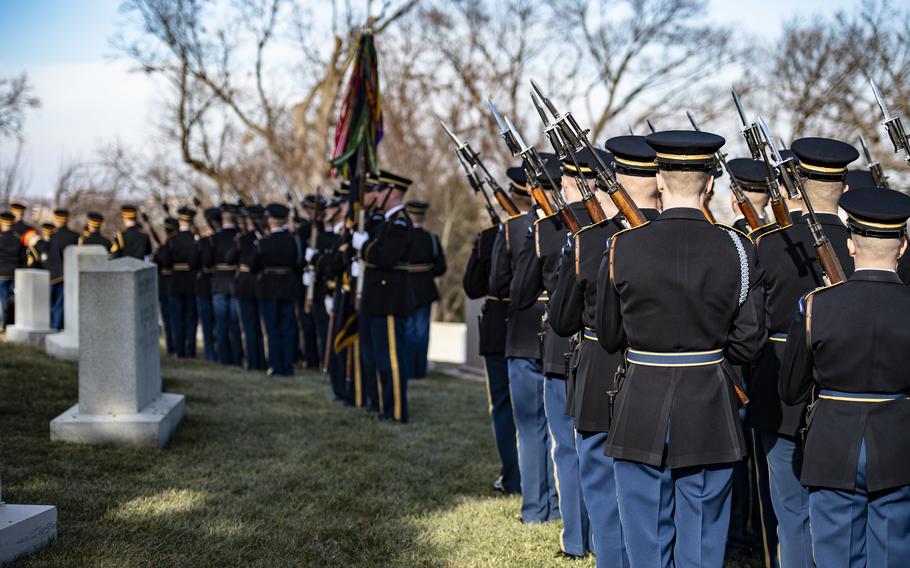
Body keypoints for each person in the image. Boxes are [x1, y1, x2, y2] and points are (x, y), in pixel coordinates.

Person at [595, 130, 765, 568]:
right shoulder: (738, 248)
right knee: (705, 538)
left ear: (659, 179)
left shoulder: (622, 246)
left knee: (645, 539)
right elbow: (749, 341)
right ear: (710, 184)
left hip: (640, 401)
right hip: (710, 401)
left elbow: (610, 336)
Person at [780, 186, 910, 568]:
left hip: (833, 443)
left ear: (851, 244)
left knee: (836, 556)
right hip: (898, 444)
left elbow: (791, 391)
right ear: (902, 247)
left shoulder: (816, 305)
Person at [549, 134, 661, 567]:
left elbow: (561, 320)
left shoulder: (590, 240)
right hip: (657, 371)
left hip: (599, 368)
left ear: (611, 179)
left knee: (600, 481)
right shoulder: (695, 235)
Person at [747, 137, 858, 568]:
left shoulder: (769, 243)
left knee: (790, 511)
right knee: (841, 513)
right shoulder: (864, 244)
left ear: (797, 183)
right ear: (844, 188)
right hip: (846, 389)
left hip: (779, 384)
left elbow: (753, 326)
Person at [512, 151, 592, 558]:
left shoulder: (544, 229)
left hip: (561, 349)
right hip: (603, 352)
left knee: (566, 447)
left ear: (564, 183)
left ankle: (577, 539)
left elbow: (522, 291)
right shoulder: (617, 228)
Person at [489, 166, 558, 524]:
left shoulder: (514, 228)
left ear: (531, 189)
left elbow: (499, 284)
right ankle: (561, 508)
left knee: (530, 429)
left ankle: (534, 509)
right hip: (559, 336)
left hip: (522, 336)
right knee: (559, 431)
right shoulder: (570, 228)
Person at [352, 170, 416, 422]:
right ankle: (385, 407)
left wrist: (364, 246)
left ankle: (397, 411)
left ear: (392, 194)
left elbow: (385, 256)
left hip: (390, 298)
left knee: (391, 360)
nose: (375, 195)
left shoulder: (399, 223)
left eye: (380, 190)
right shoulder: (387, 222)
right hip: (378, 298)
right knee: (380, 359)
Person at [463, 214, 520, 495]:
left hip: (499, 327)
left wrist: (480, 246)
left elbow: (472, 286)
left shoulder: (492, 235)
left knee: (501, 406)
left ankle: (512, 478)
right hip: (532, 328)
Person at [403, 200, 447, 379]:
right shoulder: (432, 239)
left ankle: (407, 369)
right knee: (422, 331)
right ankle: (420, 370)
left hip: (405, 287)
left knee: (408, 330)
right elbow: (441, 267)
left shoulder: (403, 236)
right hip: (426, 288)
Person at [255, 203, 300, 376]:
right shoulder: (292, 241)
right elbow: (296, 263)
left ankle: (275, 364)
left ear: (271, 220)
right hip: (287, 286)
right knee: (287, 327)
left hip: (268, 288)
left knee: (272, 329)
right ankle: (287, 365)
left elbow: (255, 265)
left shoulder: (264, 242)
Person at [158, 207, 199, 358]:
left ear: (180, 221)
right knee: (190, 318)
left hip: (175, 282)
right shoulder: (195, 240)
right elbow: (196, 262)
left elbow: (166, 262)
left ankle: (180, 351)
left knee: (177, 319)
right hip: (190, 282)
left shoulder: (172, 240)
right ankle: (191, 350)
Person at [210, 204, 243, 366]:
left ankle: (223, 357)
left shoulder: (215, 238)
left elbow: (207, 260)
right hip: (235, 280)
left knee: (222, 324)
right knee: (234, 323)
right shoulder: (239, 235)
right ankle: (237, 357)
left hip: (219, 282)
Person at [236, 205, 267, 371]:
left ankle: (254, 361)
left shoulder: (243, 239)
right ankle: (259, 361)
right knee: (257, 327)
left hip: (247, 284)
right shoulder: (263, 238)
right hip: (259, 283)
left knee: (250, 326)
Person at [46, 208, 79, 330]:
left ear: (56, 220)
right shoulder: (75, 236)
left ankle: (53, 326)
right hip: (68, 274)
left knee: (52, 302)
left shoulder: (53, 236)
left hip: (54, 275)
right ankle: (57, 325)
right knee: (61, 303)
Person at [195, 207, 220, 362]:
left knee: (208, 321)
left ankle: (210, 353)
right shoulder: (225, 239)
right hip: (216, 281)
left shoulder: (204, 242)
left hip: (205, 283)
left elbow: (195, 262)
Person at [154, 217, 179, 355]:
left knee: (169, 319)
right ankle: (176, 346)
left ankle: (172, 347)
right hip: (172, 284)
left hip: (166, 284)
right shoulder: (169, 246)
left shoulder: (165, 248)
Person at [0, 211, 20, 330]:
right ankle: (11, 322)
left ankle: (2, 323)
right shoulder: (18, 239)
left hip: (1, 274)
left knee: (2, 300)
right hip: (14, 274)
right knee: (12, 299)